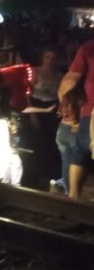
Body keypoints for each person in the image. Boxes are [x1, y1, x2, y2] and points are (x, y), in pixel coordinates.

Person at [56, 39, 94, 199]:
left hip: (89, 113)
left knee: (79, 154)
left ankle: (73, 198)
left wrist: (66, 108)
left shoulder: (89, 47)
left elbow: (70, 80)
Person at [21, 49, 63, 189]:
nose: (50, 60)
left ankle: (45, 175)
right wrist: (32, 114)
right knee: (34, 141)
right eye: (47, 57)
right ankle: (31, 176)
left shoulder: (59, 75)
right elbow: (26, 93)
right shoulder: (35, 71)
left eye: (53, 57)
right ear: (42, 58)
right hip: (36, 106)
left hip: (52, 109)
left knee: (49, 142)